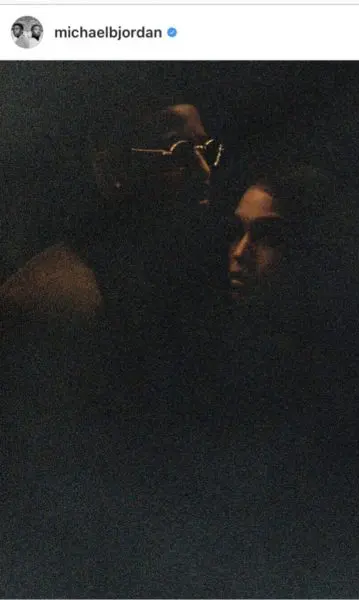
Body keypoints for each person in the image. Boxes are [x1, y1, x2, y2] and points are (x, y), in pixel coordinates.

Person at [0, 102, 224, 597]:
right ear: (112, 169)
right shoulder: (58, 297)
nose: (203, 171)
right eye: (179, 152)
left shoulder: (184, 288)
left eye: (206, 150)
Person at [202, 160, 359, 597]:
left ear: (309, 248)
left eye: (267, 237)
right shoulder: (225, 351)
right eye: (238, 231)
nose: (240, 252)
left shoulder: (323, 366)